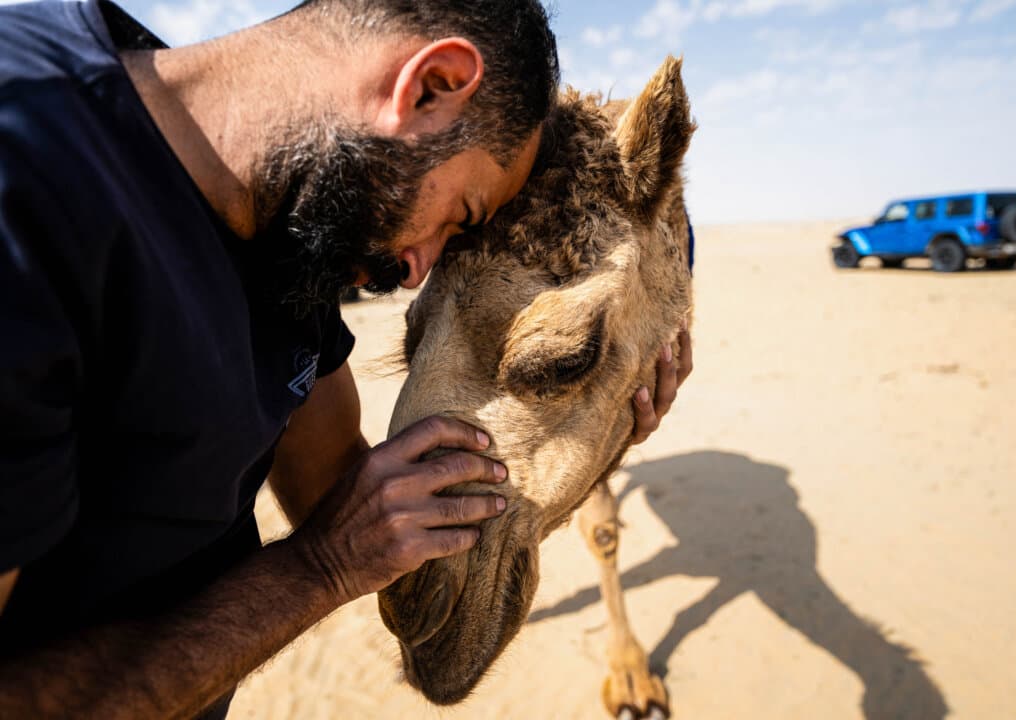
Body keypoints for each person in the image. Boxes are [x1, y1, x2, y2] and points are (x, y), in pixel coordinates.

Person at [0, 1, 692, 717]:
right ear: (431, 84)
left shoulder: (290, 240)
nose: (419, 268)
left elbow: (342, 488)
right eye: (461, 214)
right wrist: (317, 569)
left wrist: (599, 419)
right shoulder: (27, 193)